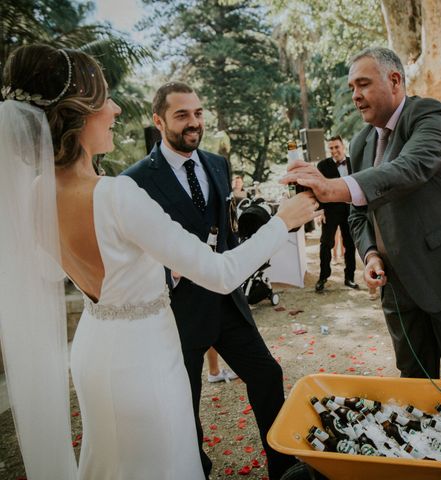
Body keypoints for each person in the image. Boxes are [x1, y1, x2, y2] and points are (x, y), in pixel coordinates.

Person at [0, 45, 319, 480]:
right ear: (77, 117)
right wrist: (283, 221)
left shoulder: (33, 193)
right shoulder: (116, 193)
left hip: (94, 349)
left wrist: (151, 266)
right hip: (143, 356)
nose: (114, 109)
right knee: (164, 463)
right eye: (103, 101)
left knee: (111, 462)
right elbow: (222, 273)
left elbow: (71, 268)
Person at [283, 47, 441, 379]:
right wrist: (369, 255)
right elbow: (359, 214)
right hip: (397, 285)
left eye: (363, 84)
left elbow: (408, 169)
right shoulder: (360, 142)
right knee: (413, 377)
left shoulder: (431, 115)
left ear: (394, 80)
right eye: (352, 87)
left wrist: (332, 188)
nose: (355, 95)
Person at [123, 82, 300, 479]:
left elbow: (226, 231)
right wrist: (164, 272)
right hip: (179, 311)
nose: (194, 123)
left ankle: (284, 470)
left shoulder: (217, 165)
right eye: (182, 115)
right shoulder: (134, 181)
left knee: (267, 374)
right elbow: (133, 251)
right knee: (185, 402)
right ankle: (196, 470)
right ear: (158, 120)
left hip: (226, 303)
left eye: (198, 113)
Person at [315, 135, 358, 292]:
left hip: (351, 211)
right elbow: (318, 190)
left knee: (350, 245)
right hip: (330, 211)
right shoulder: (322, 166)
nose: (334, 151)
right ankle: (323, 278)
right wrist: (320, 210)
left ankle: (350, 278)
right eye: (331, 148)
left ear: (343, 146)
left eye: (336, 147)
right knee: (326, 245)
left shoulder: (354, 162)